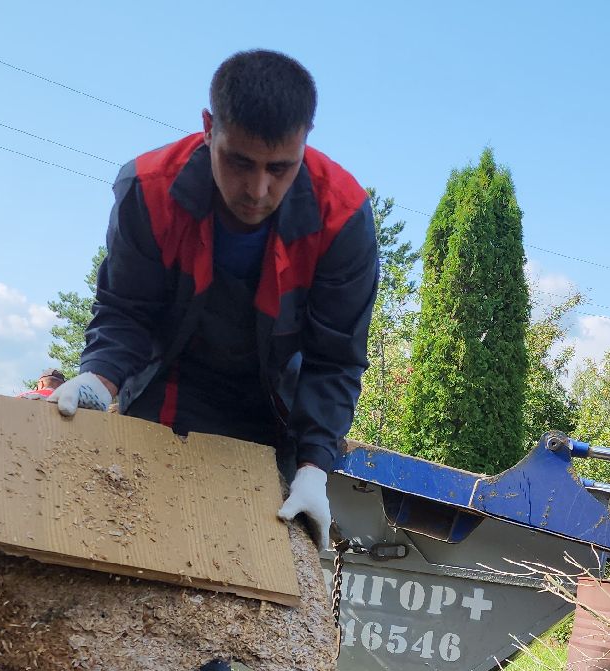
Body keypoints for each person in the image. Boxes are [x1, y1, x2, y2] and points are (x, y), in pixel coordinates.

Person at [51, 49, 378, 549]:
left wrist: (314, 465)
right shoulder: (149, 190)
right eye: (239, 162)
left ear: (305, 144)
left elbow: (334, 360)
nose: (257, 189)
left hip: (271, 408)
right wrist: (99, 378)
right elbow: (126, 312)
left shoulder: (342, 219)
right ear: (208, 127)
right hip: (168, 389)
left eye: (280, 168)